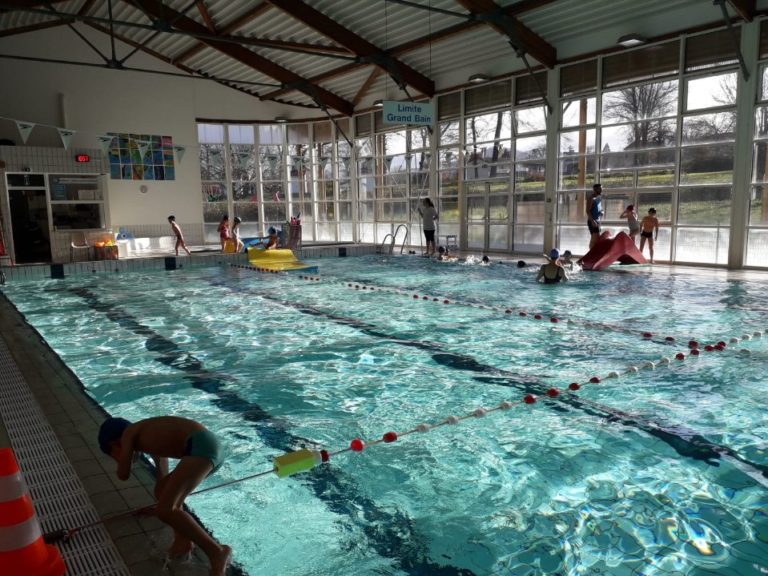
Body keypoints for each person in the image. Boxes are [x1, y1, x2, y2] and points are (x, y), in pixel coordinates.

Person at [98, 416, 231, 576]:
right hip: (207, 447)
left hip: (202, 448)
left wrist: (122, 461)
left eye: (114, 456)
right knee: (163, 496)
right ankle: (183, 540)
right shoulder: (147, 433)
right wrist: (163, 502)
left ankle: (217, 552)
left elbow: (123, 473)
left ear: (115, 444)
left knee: (165, 509)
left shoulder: (129, 433)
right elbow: (162, 473)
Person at [586, 184, 603, 250]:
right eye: (600, 189)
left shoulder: (599, 197)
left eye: (601, 188)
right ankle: (590, 257)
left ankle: (593, 256)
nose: (601, 190)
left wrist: (602, 212)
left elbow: (600, 208)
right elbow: (587, 211)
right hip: (592, 221)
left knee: (597, 239)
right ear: (595, 189)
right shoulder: (591, 198)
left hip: (597, 221)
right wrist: (593, 221)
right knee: (594, 240)